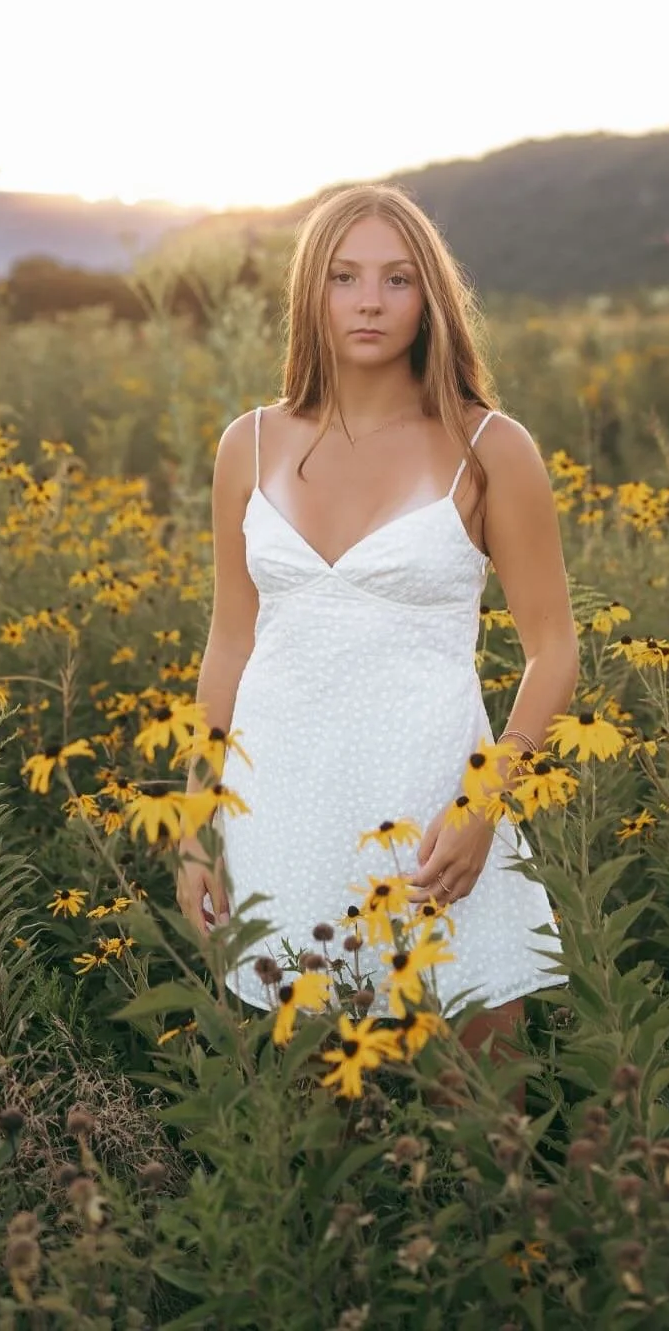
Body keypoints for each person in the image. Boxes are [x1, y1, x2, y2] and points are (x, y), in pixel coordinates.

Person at [176, 182, 579, 1095]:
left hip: (436, 813)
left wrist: (484, 803)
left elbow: (553, 650)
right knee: (323, 1113)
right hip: (279, 811)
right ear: (309, 294)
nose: (368, 301)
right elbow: (230, 642)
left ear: (429, 297)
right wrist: (197, 824)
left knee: (485, 1105)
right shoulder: (248, 444)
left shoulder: (489, 447)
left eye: (396, 279)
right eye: (343, 277)